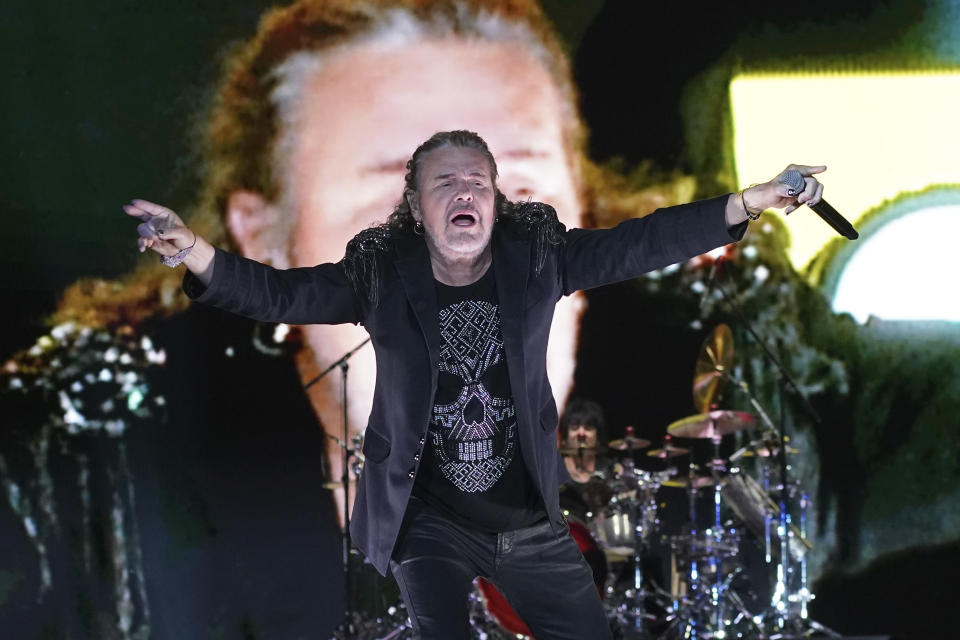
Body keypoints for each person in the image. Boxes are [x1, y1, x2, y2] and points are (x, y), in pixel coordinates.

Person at [126, 128, 826, 638]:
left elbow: (643, 241)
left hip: (523, 517)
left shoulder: (540, 259)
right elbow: (277, 295)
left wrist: (750, 200)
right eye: (445, 184)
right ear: (416, 207)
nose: (464, 194)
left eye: (478, 183)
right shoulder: (381, 275)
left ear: (494, 199)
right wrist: (193, 249)